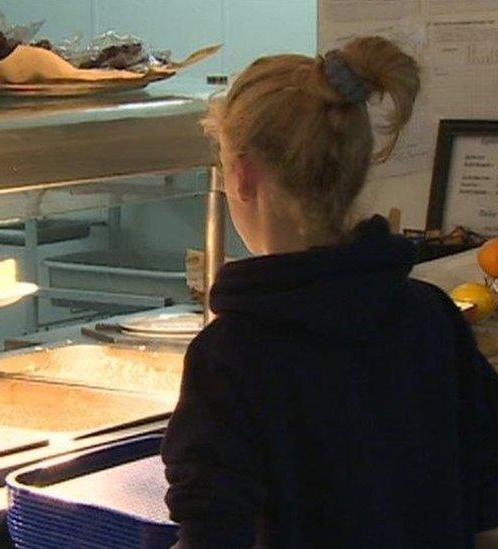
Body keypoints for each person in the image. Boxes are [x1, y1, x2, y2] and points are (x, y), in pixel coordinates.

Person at [161, 36, 498, 548]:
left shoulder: (231, 355)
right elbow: (487, 506)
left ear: (244, 177)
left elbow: (212, 535)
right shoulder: (432, 316)